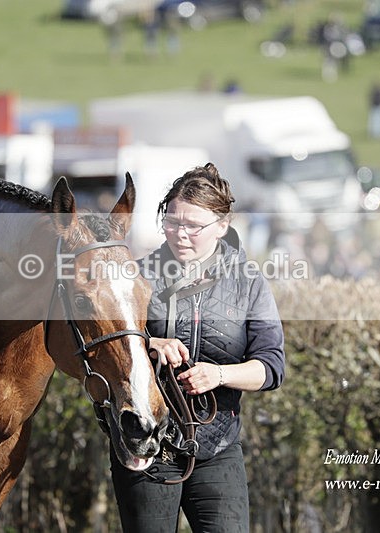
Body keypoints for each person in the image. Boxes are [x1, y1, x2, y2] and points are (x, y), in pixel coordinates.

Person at [111, 163, 286, 532]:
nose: (180, 233)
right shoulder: (136, 277)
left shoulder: (249, 284)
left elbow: (271, 367)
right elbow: (109, 348)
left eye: (194, 226)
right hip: (147, 441)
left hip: (218, 447)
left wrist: (219, 374)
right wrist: (150, 344)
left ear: (222, 225)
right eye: (172, 221)